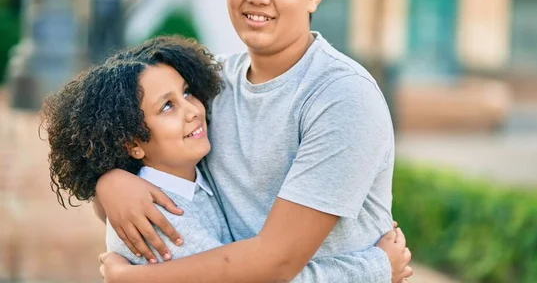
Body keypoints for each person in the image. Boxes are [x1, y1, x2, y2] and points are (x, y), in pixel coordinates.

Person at [95, 0, 413, 283]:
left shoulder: (341, 97)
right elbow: (151, 161)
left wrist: (133, 280)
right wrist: (108, 184)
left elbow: (275, 263)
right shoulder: (209, 87)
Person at [41, 36, 404, 281]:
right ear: (133, 142)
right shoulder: (161, 218)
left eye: (186, 93)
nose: (193, 110)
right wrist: (376, 266)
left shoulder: (189, 183)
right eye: (167, 106)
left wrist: (109, 180)